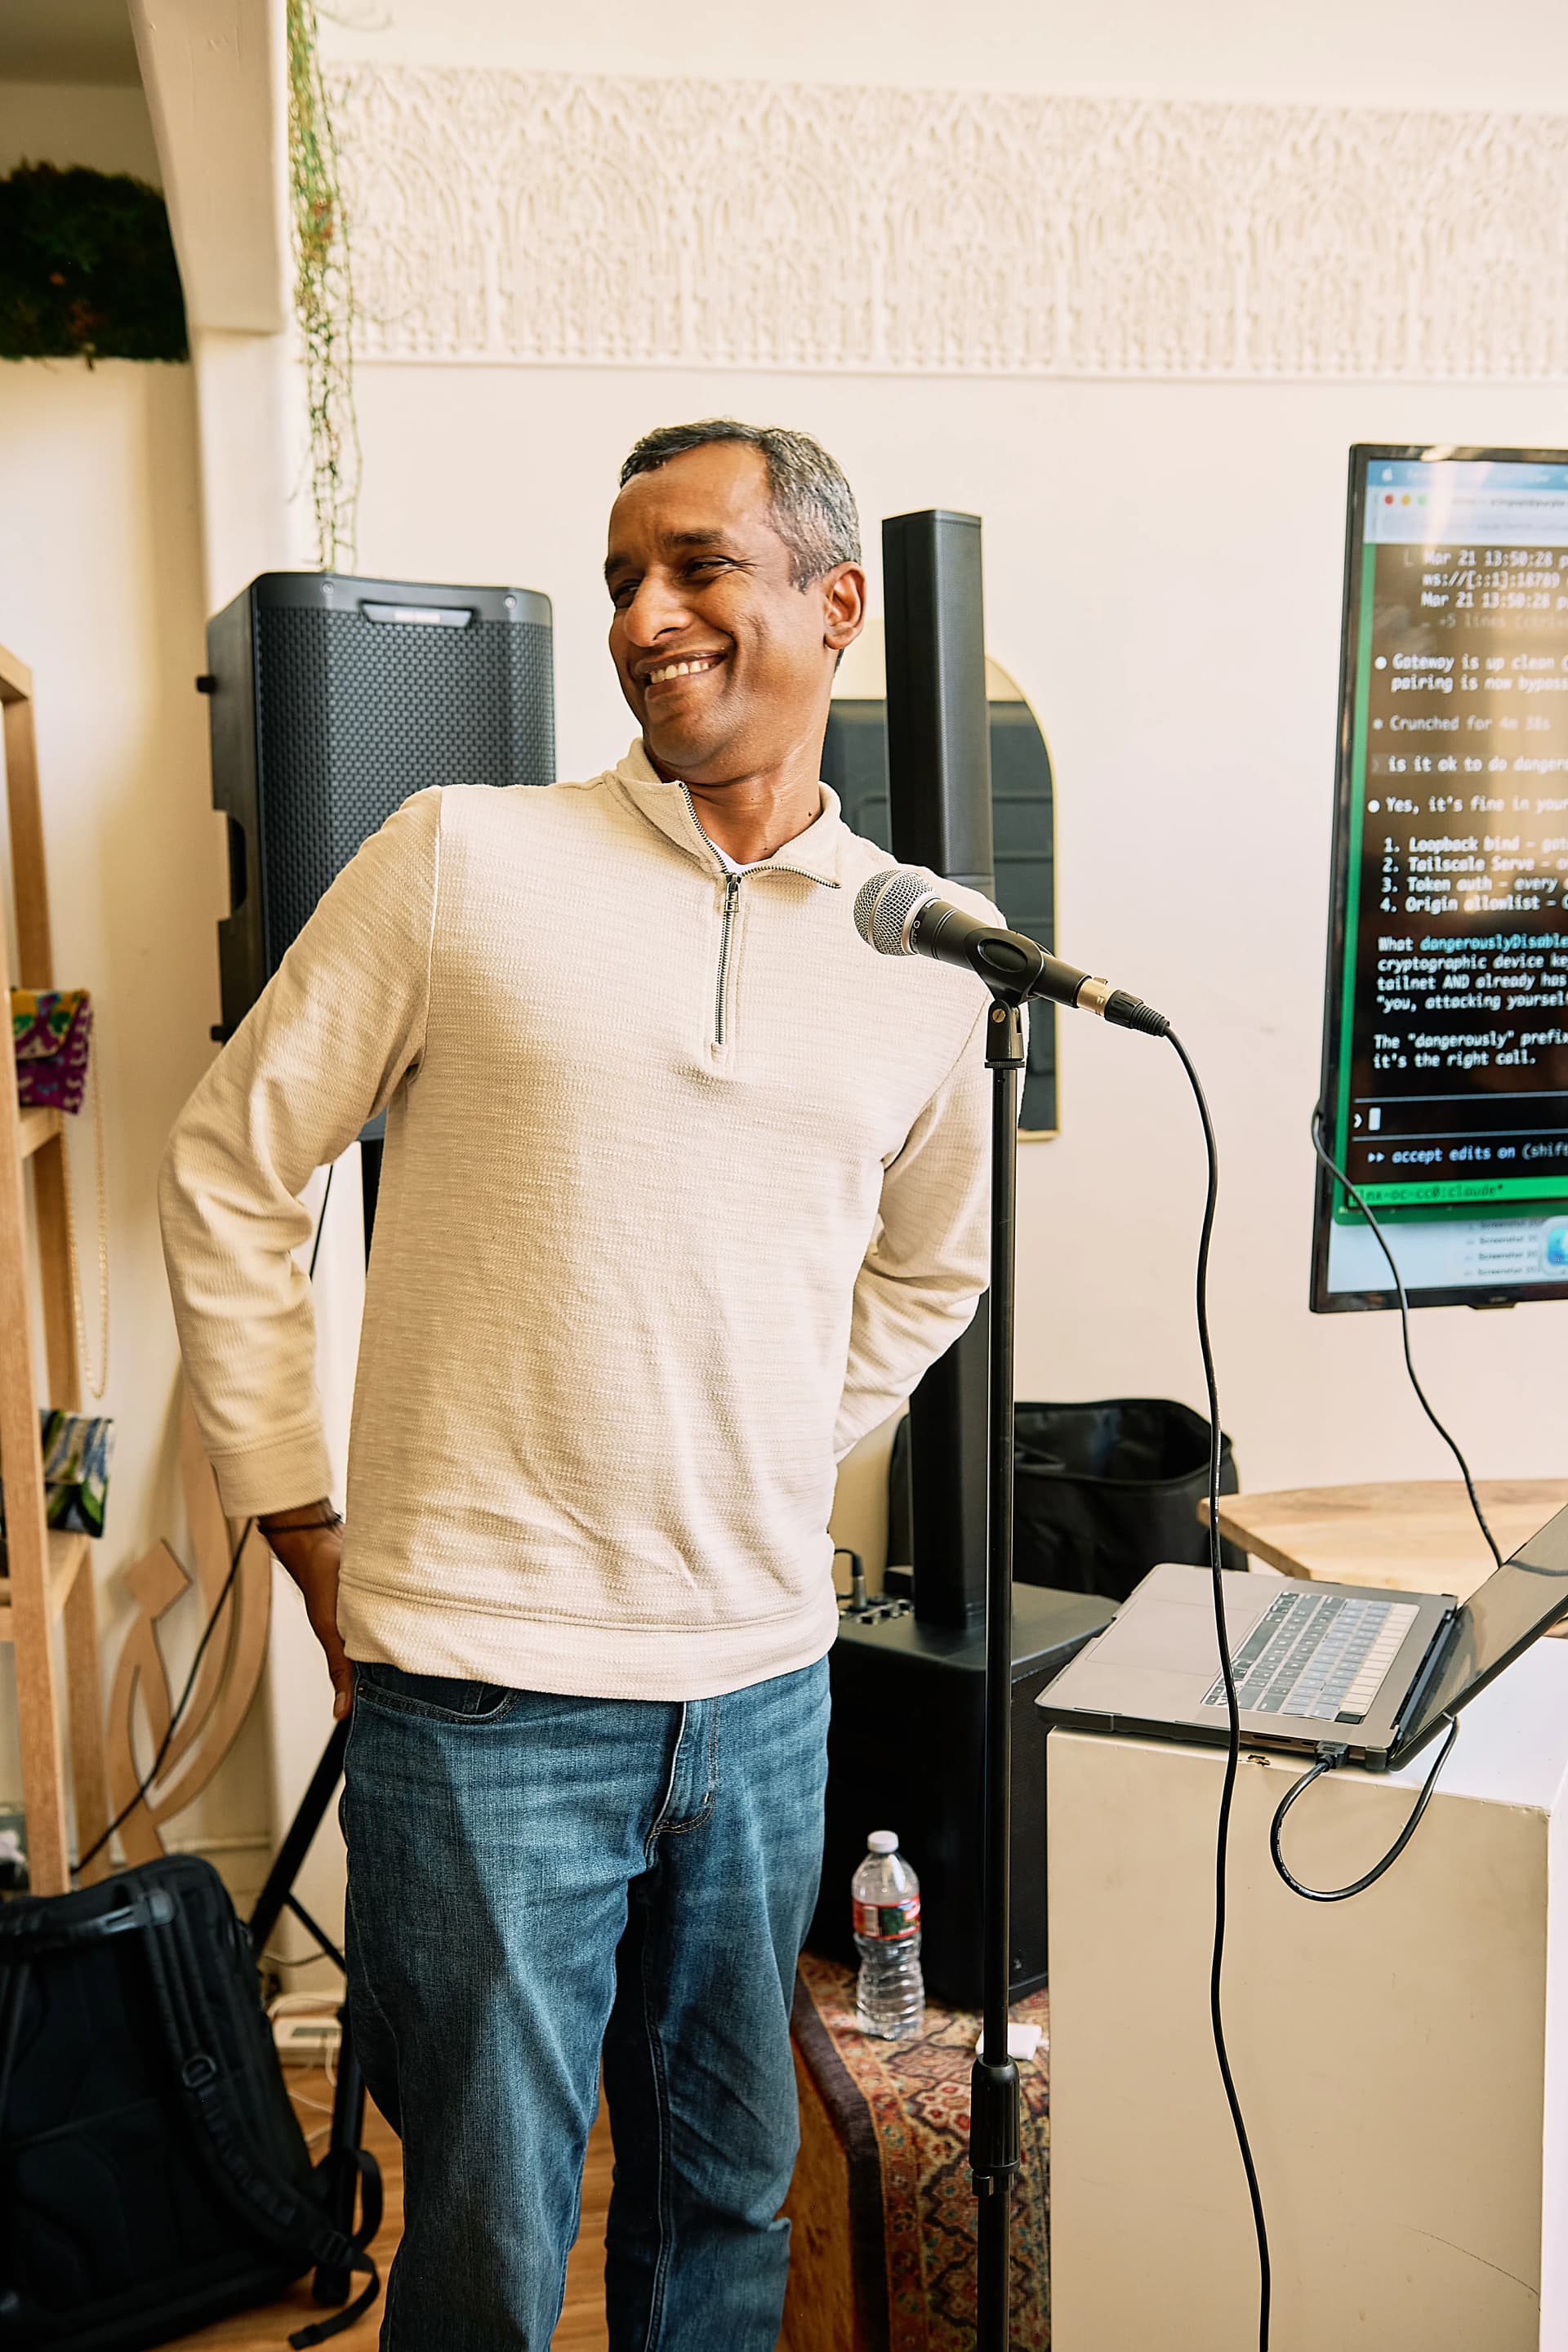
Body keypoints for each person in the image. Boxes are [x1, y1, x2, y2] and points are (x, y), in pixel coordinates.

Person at [160, 419, 996, 2350]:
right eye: (623, 578)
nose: (643, 617)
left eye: (699, 567)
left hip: (766, 1685)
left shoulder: (926, 960)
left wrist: (775, 1438)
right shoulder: (464, 858)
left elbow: (931, 1266)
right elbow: (230, 1160)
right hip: (484, 1698)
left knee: (725, 2197)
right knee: (488, 2224)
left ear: (835, 605)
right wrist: (295, 1509)